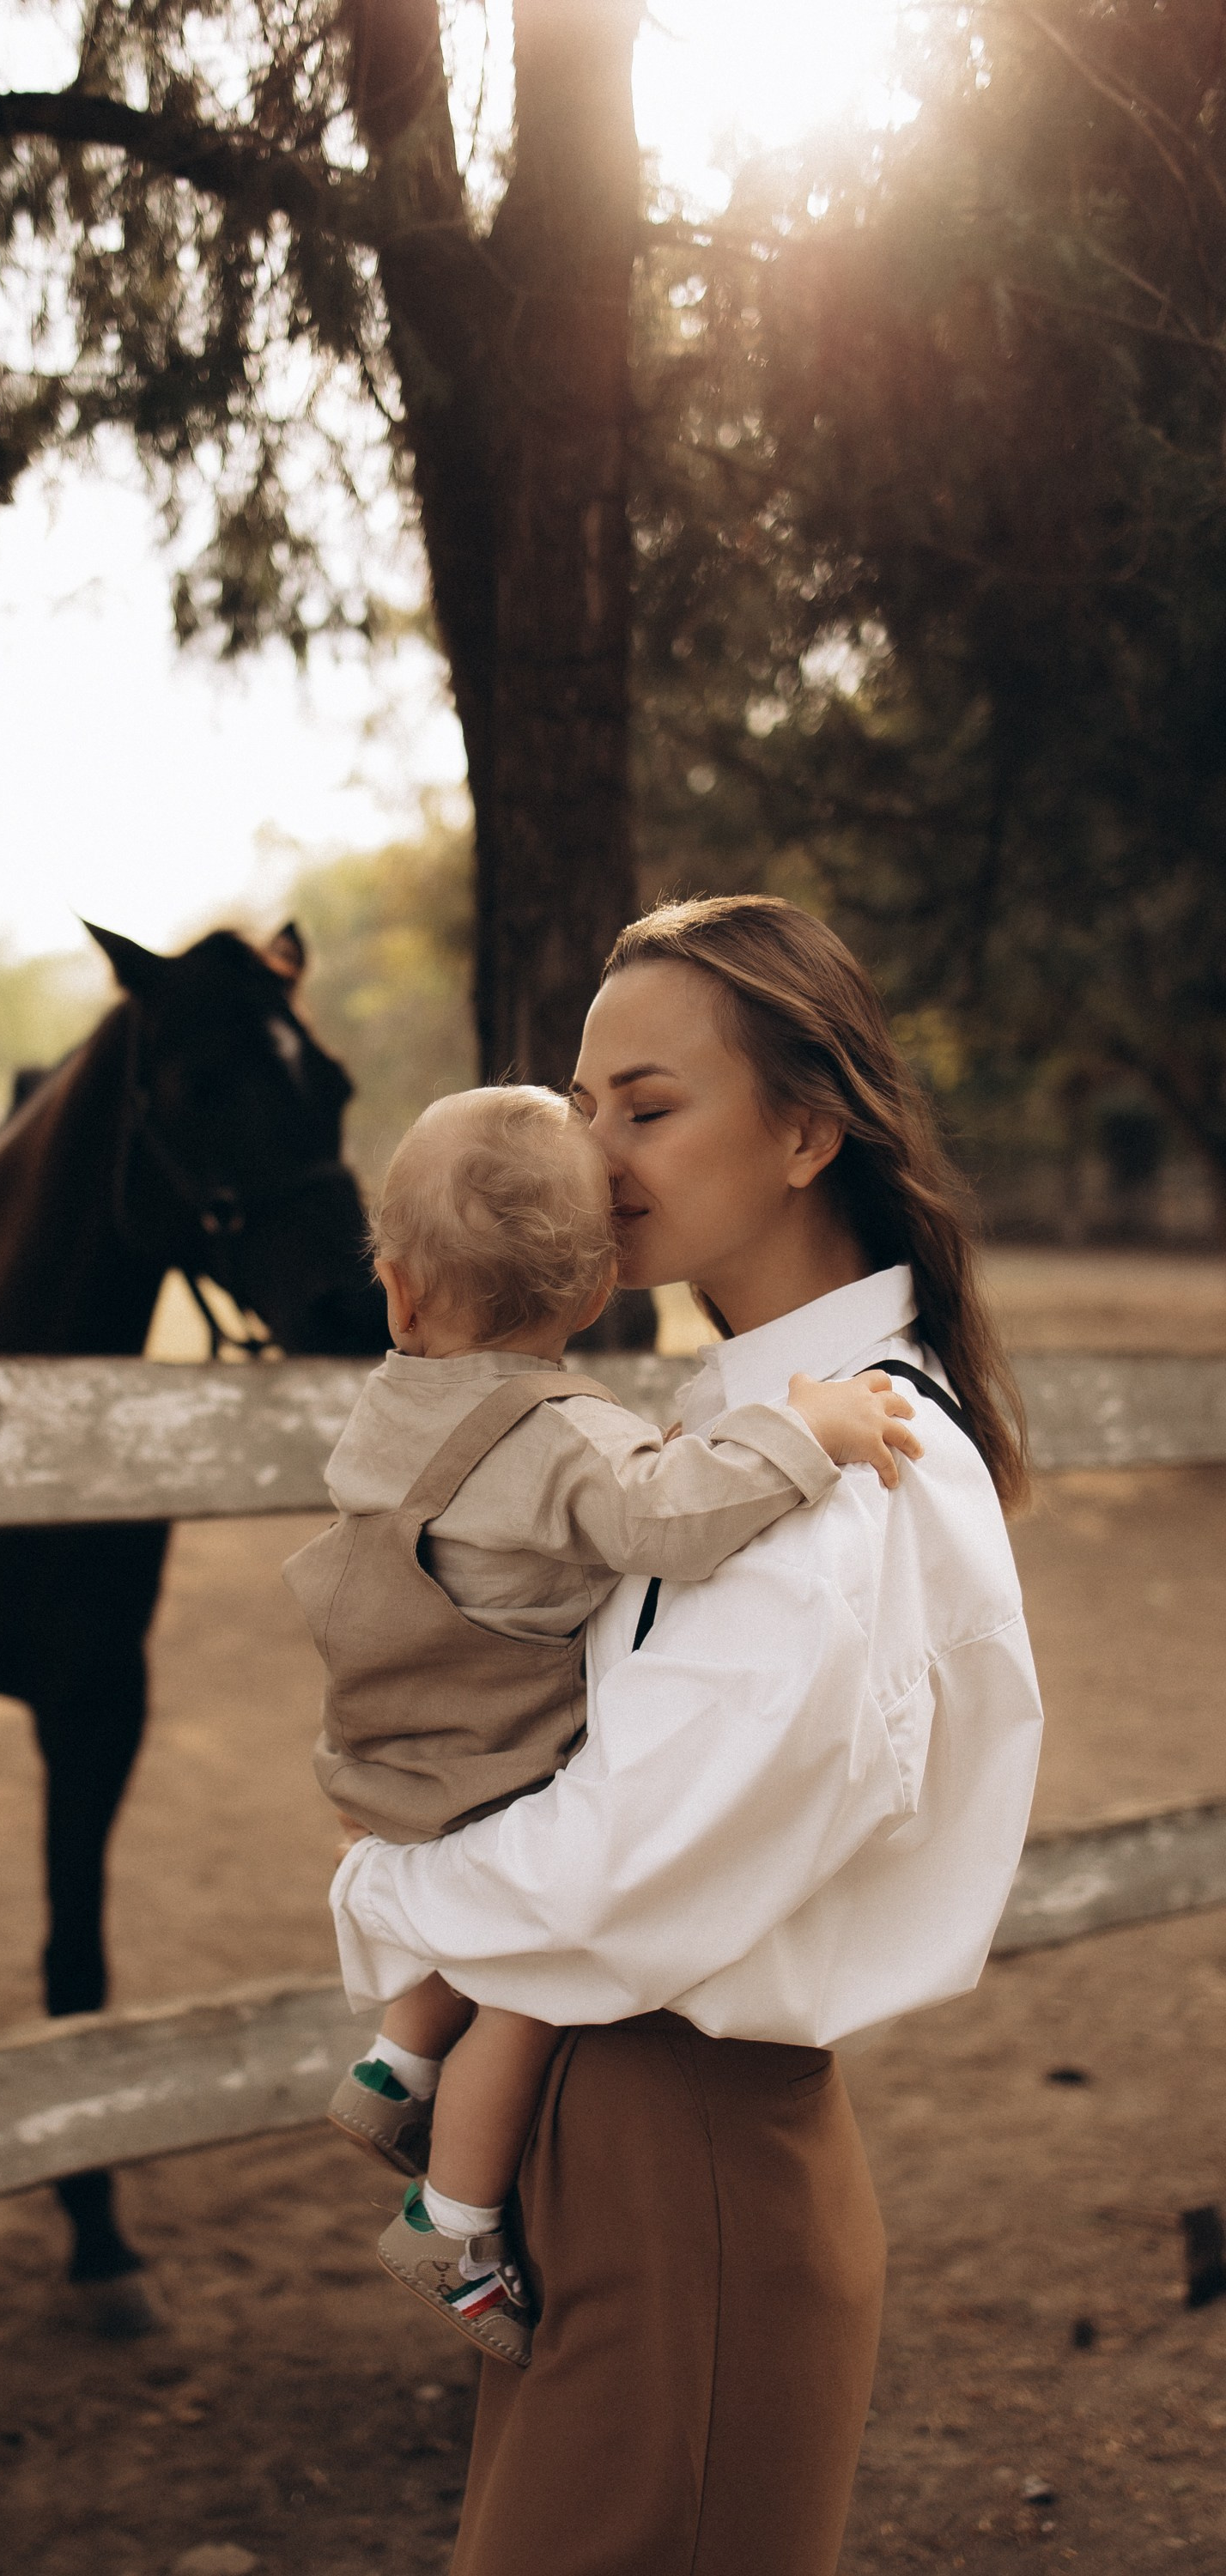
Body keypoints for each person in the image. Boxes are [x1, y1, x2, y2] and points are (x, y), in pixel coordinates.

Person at [330, 896, 1044, 2576]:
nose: (595, 1150)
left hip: (694, 2157)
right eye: (581, 1106)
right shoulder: (736, 1428)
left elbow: (633, 1862)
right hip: (608, 2144)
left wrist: (383, 1896)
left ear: (803, 1128)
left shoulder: (850, 1454)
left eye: (645, 1107)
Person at [284, 1084, 923, 2367]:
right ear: (590, 1302)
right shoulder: (568, 1437)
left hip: (390, 1746)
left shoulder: (388, 1402)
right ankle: (453, 2221)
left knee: (487, 1929)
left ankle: (394, 2068)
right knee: (533, 1978)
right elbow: (659, 1517)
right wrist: (805, 1430)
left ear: (401, 1294)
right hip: (490, 1756)